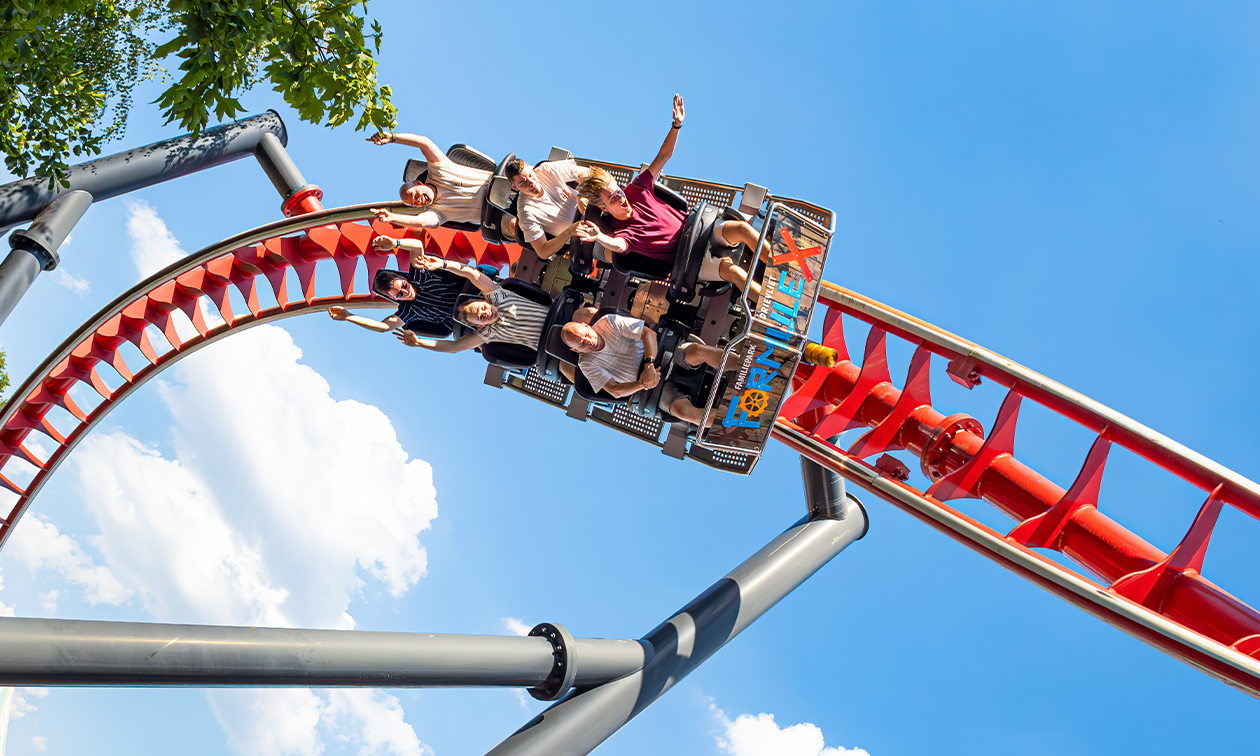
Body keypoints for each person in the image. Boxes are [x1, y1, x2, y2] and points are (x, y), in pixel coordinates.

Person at [573, 95, 767, 297]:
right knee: (734, 272)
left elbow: (663, 156)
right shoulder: (621, 231)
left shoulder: (636, 189)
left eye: (618, 191)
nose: (621, 198)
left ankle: (783, 261)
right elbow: (619, 246)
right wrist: (600, 237)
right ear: (604, 208)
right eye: (613, 199)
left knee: (742, 229)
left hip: (699, 231)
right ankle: (770, 304)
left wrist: (676, 126)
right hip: (688, 260)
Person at [559, 315, 725, 425]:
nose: (588, 341)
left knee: (698, 352)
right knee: (685, 413)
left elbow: (648, 334)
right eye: (581, 343)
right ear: (576, 350)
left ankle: (743, 363)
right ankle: (734, 422)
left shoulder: (607, 322)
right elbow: (615, 390)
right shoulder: (586, 364)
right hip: (653, 387)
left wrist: (649, 365)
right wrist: (642, 383)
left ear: (586, 325)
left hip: (662, 355)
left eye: (585, 334)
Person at [328, 236, 486, 336]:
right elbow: (384, 326)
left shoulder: (419, 276)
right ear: (393, 298)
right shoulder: (408, 311)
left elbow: (416, 246)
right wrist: (349, 316)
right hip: (472, 320)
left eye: (403, 285)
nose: (405, 291)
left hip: (479, 297)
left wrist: (395, 243)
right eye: (399, 295)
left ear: (403, 278)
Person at [394, 255, 551, 354]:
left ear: (486, 301)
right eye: (481, 318)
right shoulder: (489, 334)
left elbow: (472, 274)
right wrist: (419, 342)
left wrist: (444, 264)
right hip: (551, 345)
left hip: (558, 316)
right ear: (481, 326)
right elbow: (454, 347)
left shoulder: (498, 297)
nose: (485, 313)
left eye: (482, 308)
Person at [365, 130, 501, 232]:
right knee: (513, 225)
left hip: (504, 187)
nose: (419, 201)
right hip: (499, 218)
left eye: (415, 195)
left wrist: (393, 138)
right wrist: (393, 217)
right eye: (415, 204)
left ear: (418, 183)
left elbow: (424, 143)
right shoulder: (436, 212)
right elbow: (419, 222)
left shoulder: (439, 170)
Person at [505, 157, 588, 260]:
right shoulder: (526, 212)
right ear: (515, 187)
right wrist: (569, 232)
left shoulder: (546, 169)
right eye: (523, 182)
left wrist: (582, 195)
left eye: (530, 175)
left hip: (594, 207)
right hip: (585, 237)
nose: (531, 182)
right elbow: (543, 251)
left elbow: (586, 173)